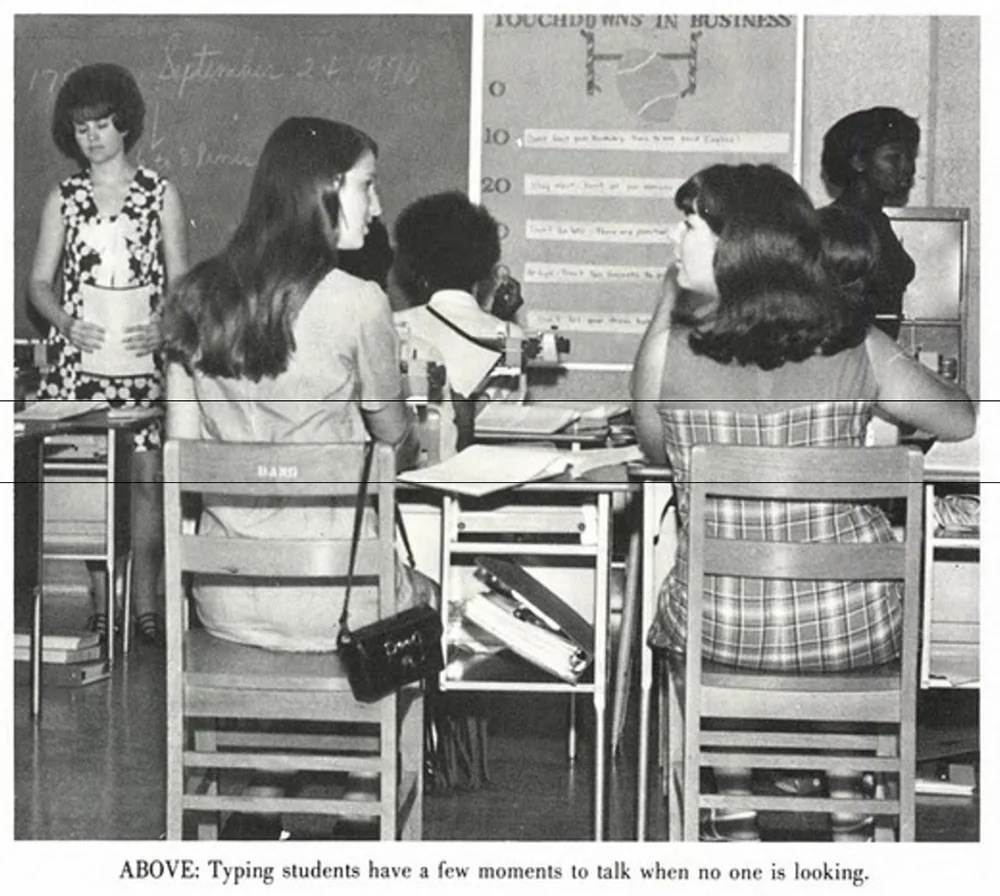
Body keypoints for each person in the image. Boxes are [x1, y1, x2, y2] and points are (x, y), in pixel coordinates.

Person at [631, 163, 975, 842]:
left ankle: (733, 818)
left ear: (739, 246)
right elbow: (960, 421)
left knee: (705, 618)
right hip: (853, 626)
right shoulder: (859, 347)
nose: (674, 240)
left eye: (689, 225)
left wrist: (663, 306)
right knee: (842, 627)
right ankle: (850, 814)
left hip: (719, 626)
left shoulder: (669, 353)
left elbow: (650, 443)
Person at [163, 116, 424, 653]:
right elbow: (394, 446)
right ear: (324, 190)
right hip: (340, 600)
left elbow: (181, 455)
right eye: (367, 186)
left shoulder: (192, 297)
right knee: (436, 597)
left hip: (223, 597)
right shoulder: (360, 301)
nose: (376, 208)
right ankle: (394, 740)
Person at [29, 63, 189, 647]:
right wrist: (65, 321)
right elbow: (39, 284)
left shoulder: (159, 193)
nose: (92, 137)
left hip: (141, 362)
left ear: (125, 124)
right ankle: (99, 602)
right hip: (80, 368)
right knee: (90, 486)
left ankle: (144, 602)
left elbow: (182, 281)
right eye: (80, 128)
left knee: (147, 482)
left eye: (101, 124)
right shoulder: (64, 198)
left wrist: (164, 325)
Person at [392, 191, 524, 452]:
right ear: (485, 264)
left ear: (415, 266)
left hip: (410, 475)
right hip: (484, 479)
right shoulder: (513, 338)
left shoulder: (392, 327)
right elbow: (503, 419)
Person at [821, 106, 921, 339]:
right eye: (894, 157)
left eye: (910, 157)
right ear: (858, 162)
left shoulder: (876, 220)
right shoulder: (838, 225)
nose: (909, 168)